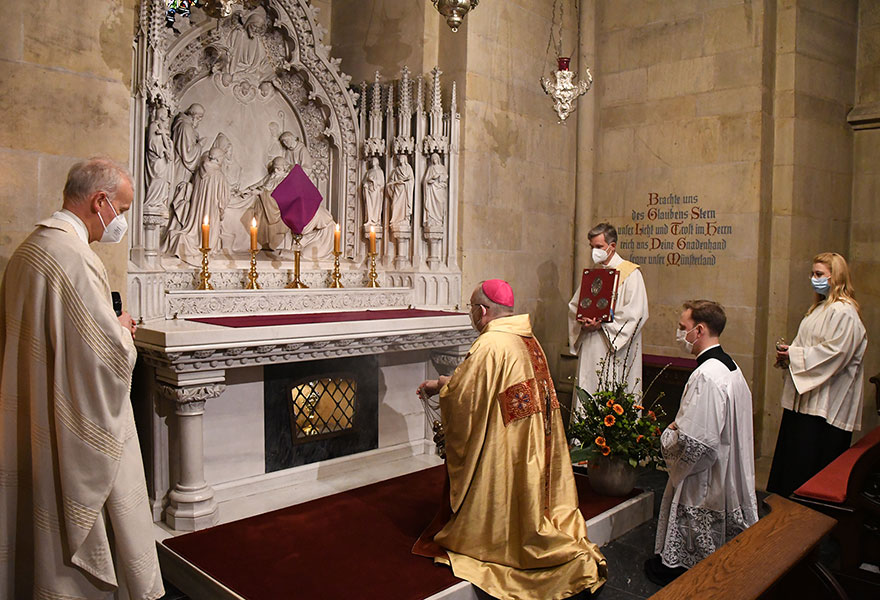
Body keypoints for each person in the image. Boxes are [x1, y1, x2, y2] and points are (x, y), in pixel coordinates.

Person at [0, 158, 164, 599]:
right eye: (123, 210)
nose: (122, 221)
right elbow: (104, 359)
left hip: (37, 410)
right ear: (100, 201)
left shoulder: (29, 250)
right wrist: (124, 332)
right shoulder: (75, 259)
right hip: (75, 425)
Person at [415, 280, 607, 600]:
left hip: (508, 439)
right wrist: (446, 382)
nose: (472, 317)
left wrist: (440, 387)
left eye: (471, 310)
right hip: (532, 436)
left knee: (507, 493)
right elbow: (481, 386)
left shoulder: (491, 344)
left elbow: (465, 394)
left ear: (482, 311)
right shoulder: (525, 337)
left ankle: (501, 536)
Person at [645, 300, 758, 586]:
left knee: (696, 541)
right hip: (726, 463)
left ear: (700, 329)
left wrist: (669, 435)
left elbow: (696, 443)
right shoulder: (730, 367)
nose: (679, 334)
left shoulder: (706, 375)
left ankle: (684, 566)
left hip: (706, 475)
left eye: (683, 328)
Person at [767, 252, 867, 497]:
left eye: (819, 274)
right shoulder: (818, 309)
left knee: (811, 467)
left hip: (826, 405)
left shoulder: (844, 313)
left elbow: (835, 354)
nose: (814, 279)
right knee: (792, 464)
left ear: (836, 277)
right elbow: (802, 346)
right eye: (813, 274)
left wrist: (796, 355)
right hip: (805, 400)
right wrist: (788, 355)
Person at [568, 223, 648, 409]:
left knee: (608, 397)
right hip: (590, 343)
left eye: (599, 247)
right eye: (591, 247)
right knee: (587, 389)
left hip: (612, 347)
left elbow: (636, 314)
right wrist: (582, 320)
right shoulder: (594, 273)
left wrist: (602, 325)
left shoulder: (631, 274)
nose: (594, 252)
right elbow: (575, 305)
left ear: (612, 247)